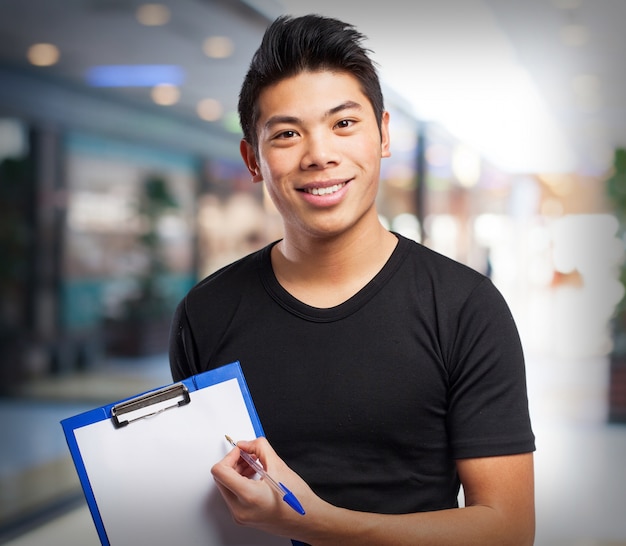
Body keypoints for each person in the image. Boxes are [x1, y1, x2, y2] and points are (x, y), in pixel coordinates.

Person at [169, 13, 535, 546]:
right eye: (288, 134)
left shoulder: (465, 307)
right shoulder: (206, 312)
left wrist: (313, 523)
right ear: (253, 159)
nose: (320, 155)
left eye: (344, 124)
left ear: (383, 134)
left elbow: (508, 530)